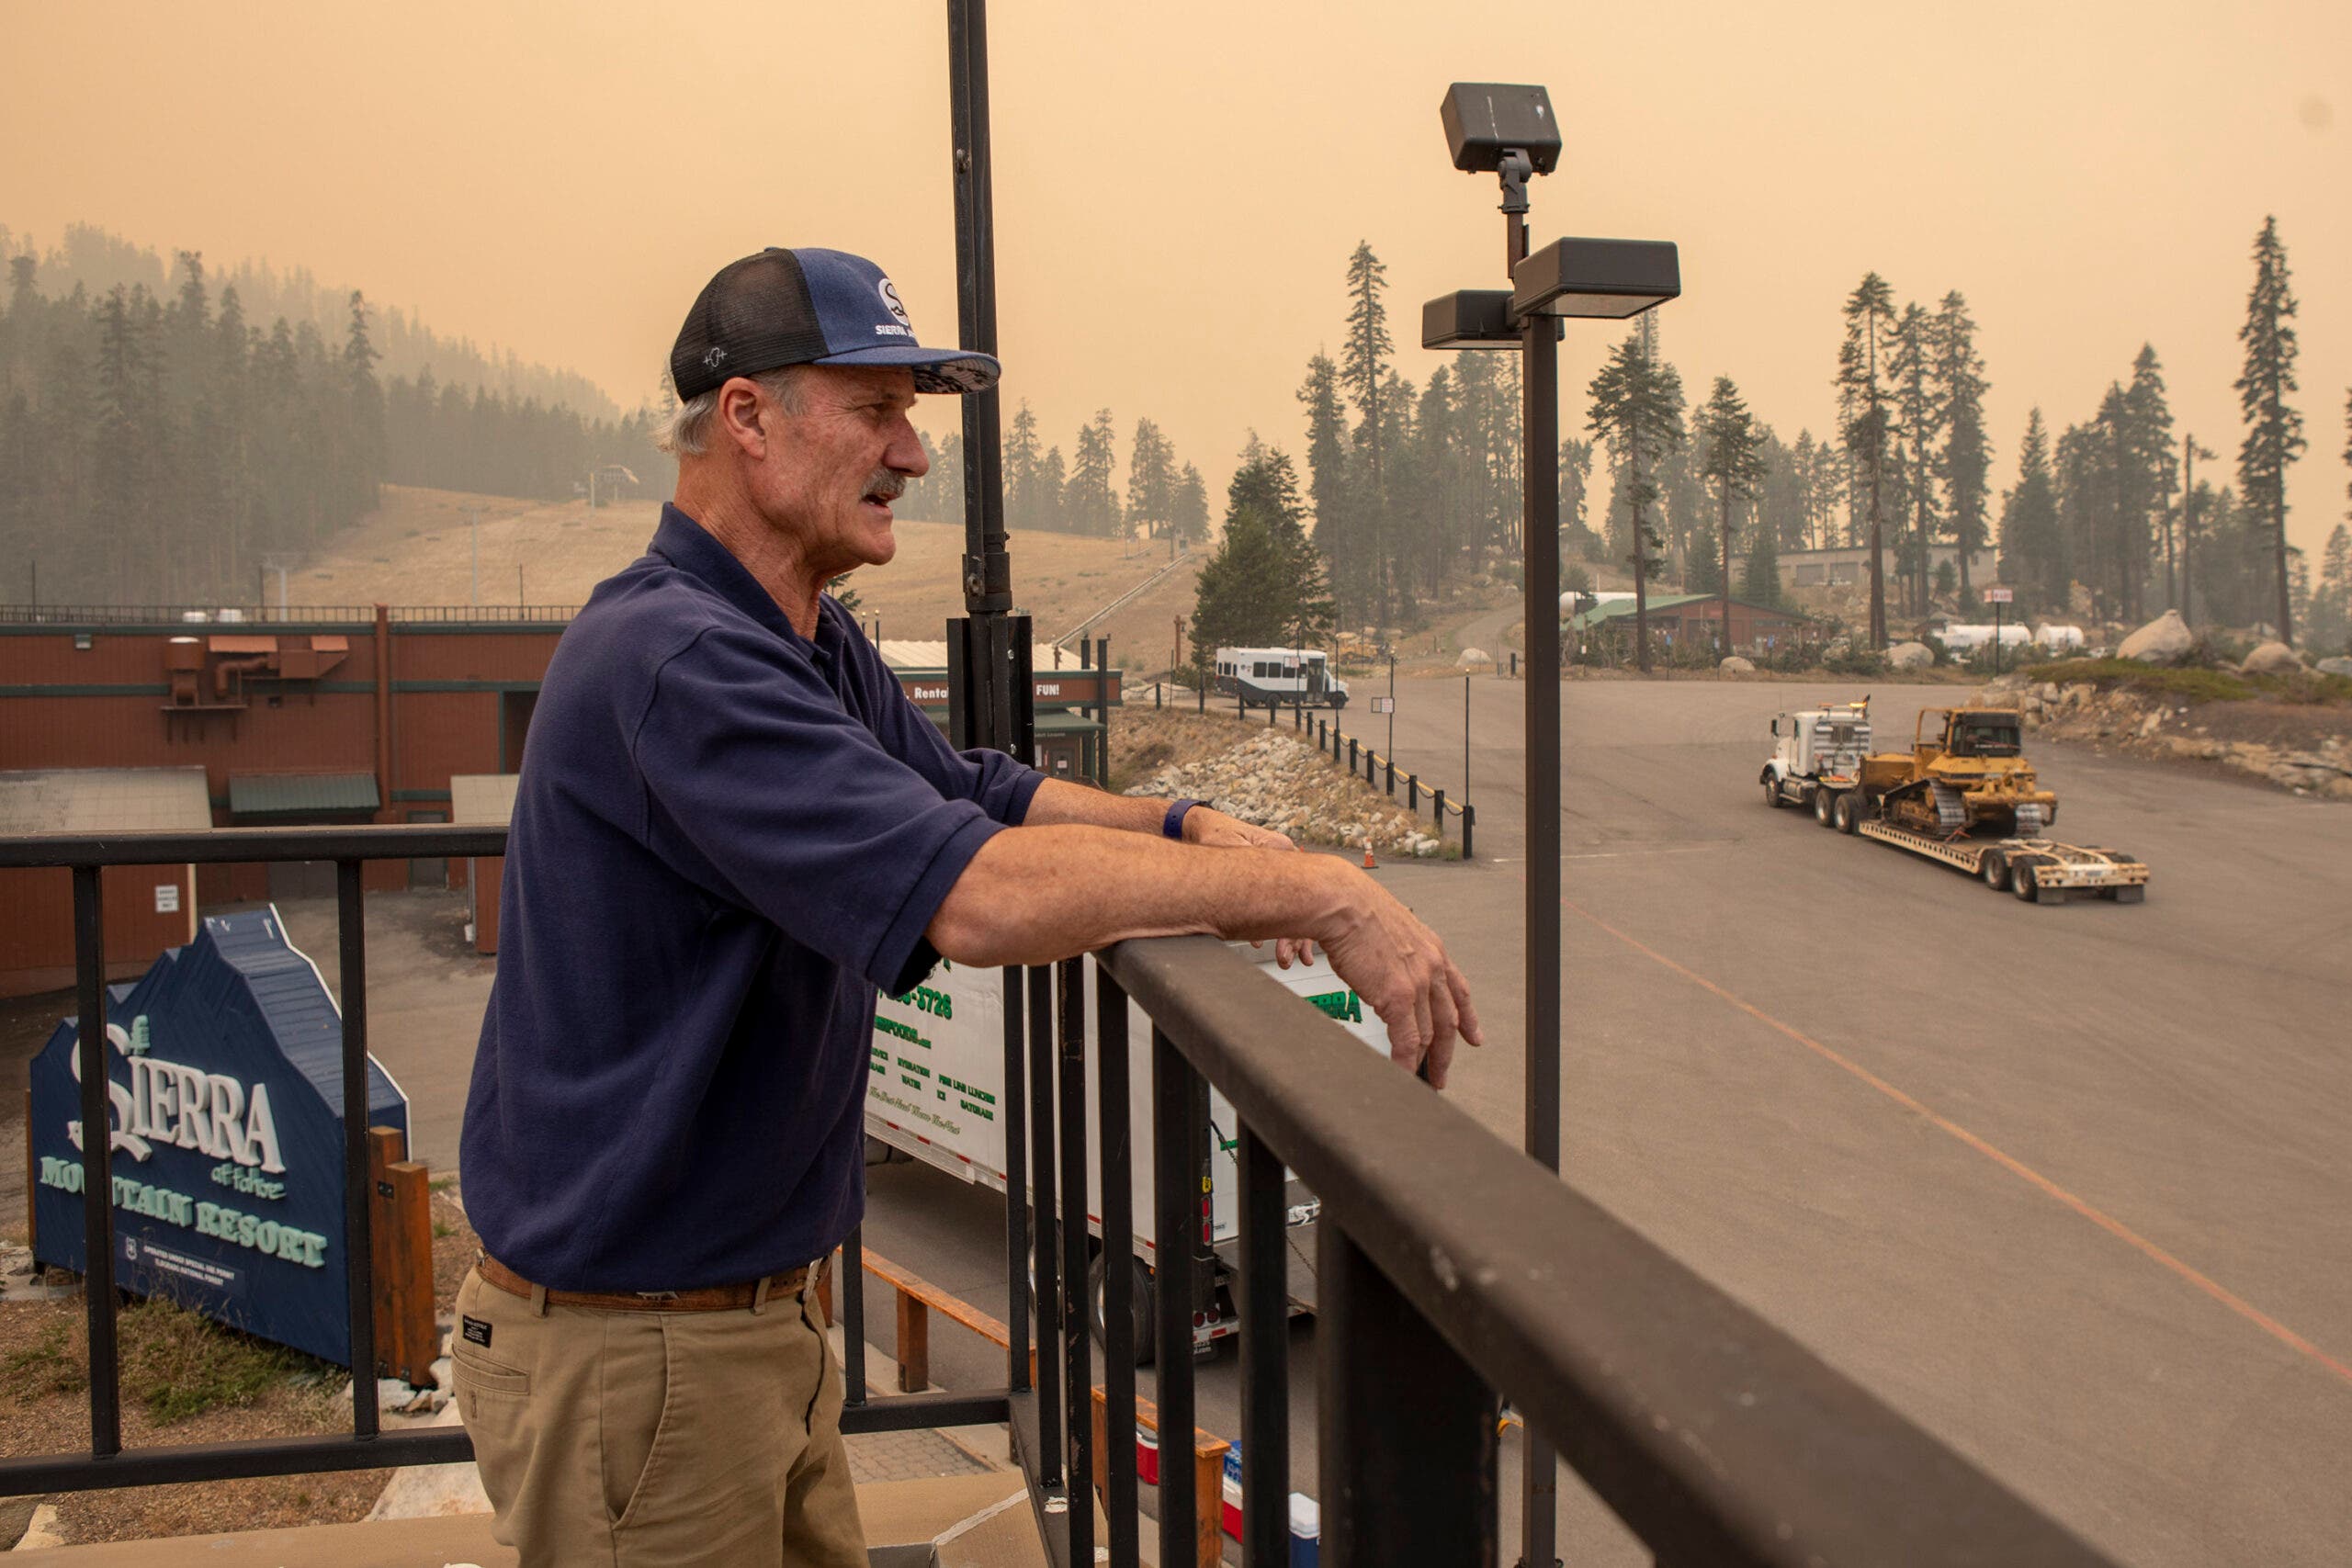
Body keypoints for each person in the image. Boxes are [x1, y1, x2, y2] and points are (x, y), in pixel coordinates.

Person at [450, 247, 1480, 1568]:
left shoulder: (800, 635)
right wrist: (1310, 891)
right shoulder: (679, 658)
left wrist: (1186, 828)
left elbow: (975, 792)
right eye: (877, 409)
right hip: (640, 1355)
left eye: (913, 413)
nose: (915, 453)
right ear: (749, 418)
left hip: (736, 1329)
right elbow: (977, 895)